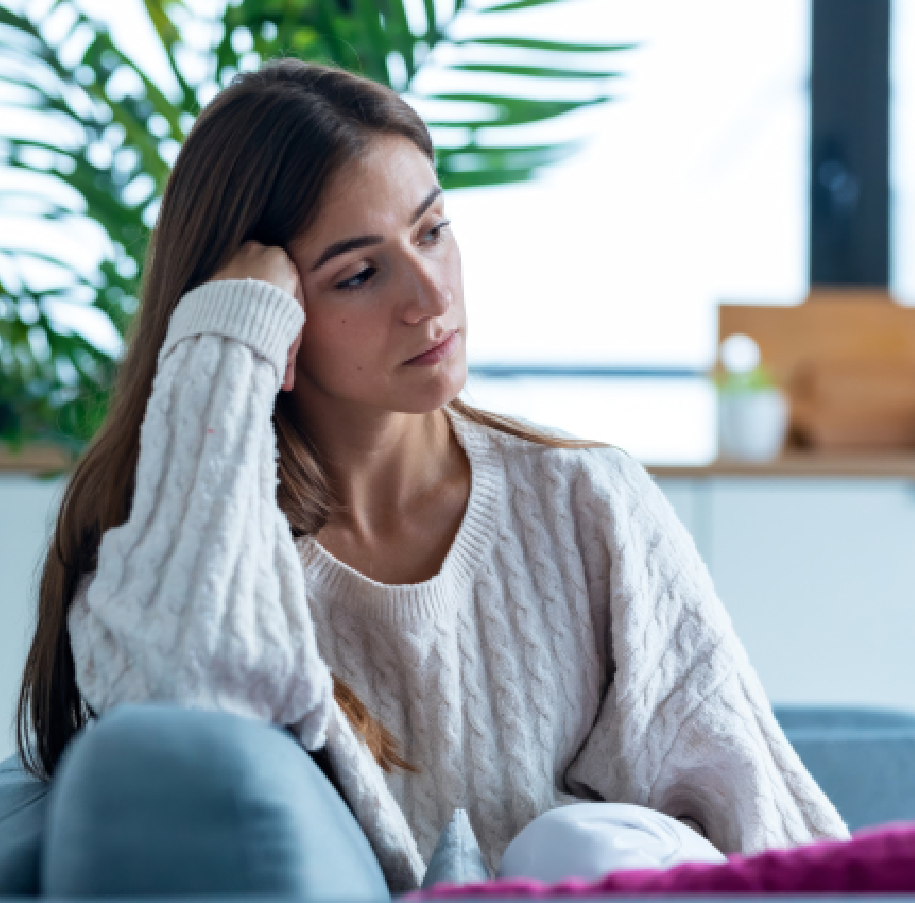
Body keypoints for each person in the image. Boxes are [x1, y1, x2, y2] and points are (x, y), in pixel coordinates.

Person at [16, 58, 849, 893]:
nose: (428, 297)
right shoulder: (184, 558)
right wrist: (223, 344)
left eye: (432, 229)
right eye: (359, 273)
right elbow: (182, 714)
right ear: (270, 315)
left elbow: (766, 819)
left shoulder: (587, 502)